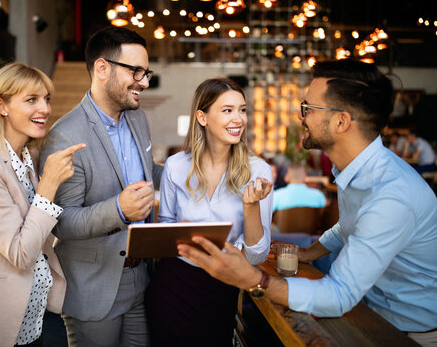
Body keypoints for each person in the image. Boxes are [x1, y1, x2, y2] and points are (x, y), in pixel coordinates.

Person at [178, 59, 437, 347]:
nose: (301, 117)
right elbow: (347, 226)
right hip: (371, 313)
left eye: (308, 109)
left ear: (341, 121)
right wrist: (308, 252)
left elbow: (339, 295)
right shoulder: (361, 171)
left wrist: (255, 279)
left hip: (406, 333)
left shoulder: (391, 195)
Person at [0, 62, 86, 346]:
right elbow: (20, 252)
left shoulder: (25, 159)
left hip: (29, 320)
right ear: (2, 106)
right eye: (31, 99)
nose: (44, 109)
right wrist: (48, 186)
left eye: (46, 99)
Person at [39, 27, 162, 347]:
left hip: (142, 276)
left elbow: (149, 174)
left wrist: (198, 170)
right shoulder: (64, 136)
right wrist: (119, 209)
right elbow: (62, 222)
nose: (144, 82)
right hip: (94, 286)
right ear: (102, 68)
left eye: (146, 72)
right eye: (136, 71)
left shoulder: (138, 119)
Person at [145, 78, 273, 346]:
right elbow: (165, 226)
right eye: (227, 110)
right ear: (202, 117)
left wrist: (251, 207)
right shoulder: (176, 165)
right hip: (173, 284)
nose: (238, 118)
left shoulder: (258, 171)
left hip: (221, 286)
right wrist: (182, 233)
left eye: (242, 109)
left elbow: (256, 255)